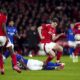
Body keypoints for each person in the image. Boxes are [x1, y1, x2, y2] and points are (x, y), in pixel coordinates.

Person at [0, 8, 21, 75]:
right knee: (11, 51)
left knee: (0, 53)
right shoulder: (4, 16)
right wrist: (6, 36)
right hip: (3, 37)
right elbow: (3, 26)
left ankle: (2, 69)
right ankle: (15, 65)